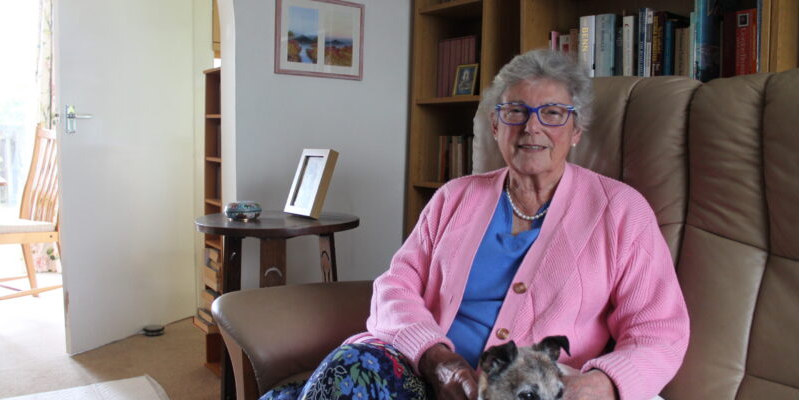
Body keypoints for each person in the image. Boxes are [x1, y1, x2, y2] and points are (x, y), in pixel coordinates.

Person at [261, 49, 689, 400]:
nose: (532, 127)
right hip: (428, 375)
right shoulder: (456, 197)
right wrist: (437, 359)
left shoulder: (621, 210)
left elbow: (659, 330)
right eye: (516, 111)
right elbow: (396, 287)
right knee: (348, 369)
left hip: (530, 391)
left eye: (553, 113)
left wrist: (600, 384)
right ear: (496, 125)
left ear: (576, 130)